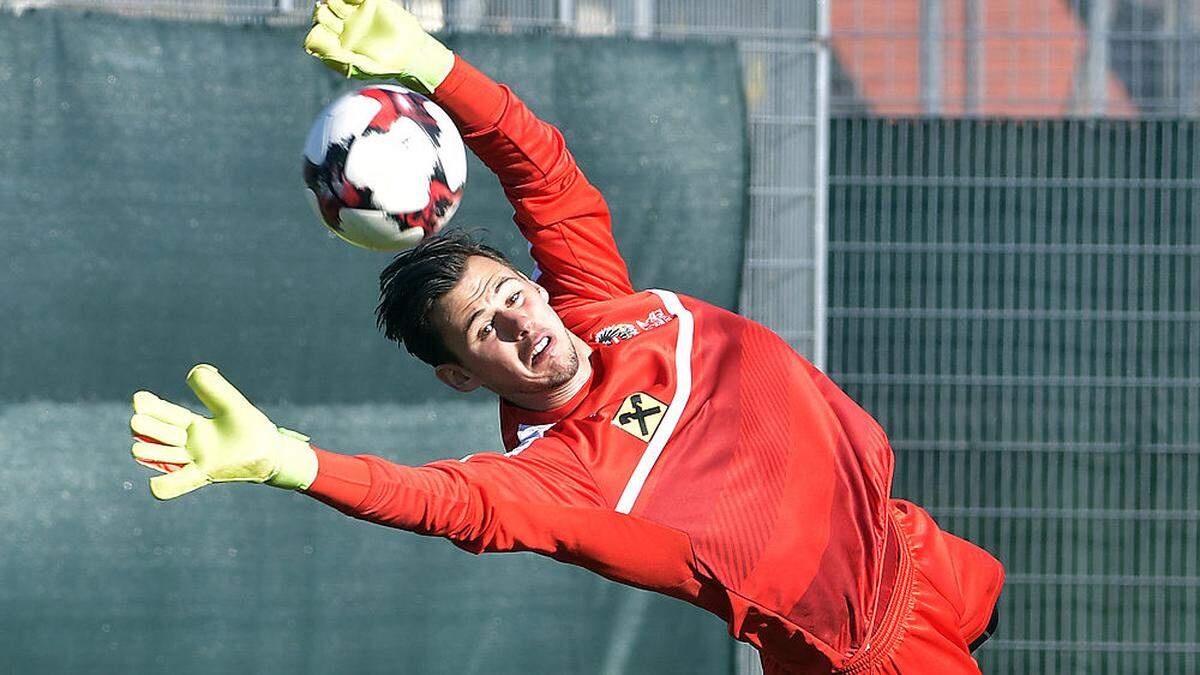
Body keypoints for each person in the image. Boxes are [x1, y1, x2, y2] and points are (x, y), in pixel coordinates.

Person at [128, 1, 1004, 672]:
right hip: (865, 642)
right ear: (463, 377)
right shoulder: (563, 474)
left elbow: (538, 165)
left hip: (909, 540)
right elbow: (447, 503)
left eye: (513, 294)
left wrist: (427, 62)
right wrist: (292, 460)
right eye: (485, 329)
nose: (519, 322)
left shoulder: (595, 303)